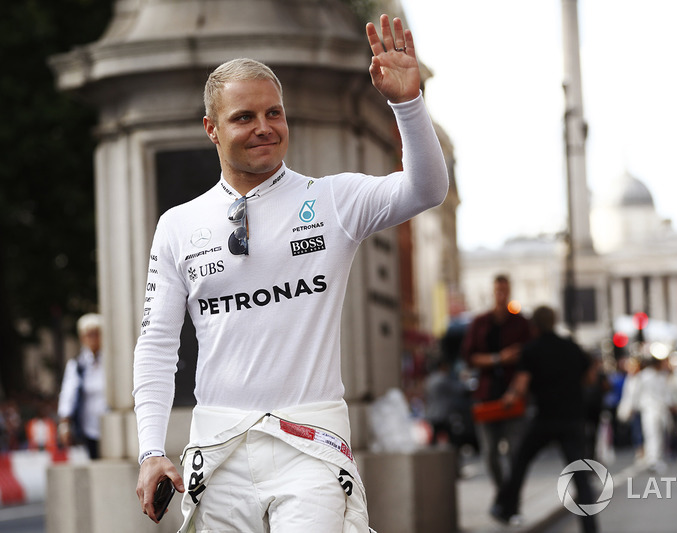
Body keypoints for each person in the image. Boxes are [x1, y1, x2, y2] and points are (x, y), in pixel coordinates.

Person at [132, 14, 448, 531]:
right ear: (211, 128)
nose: (264, 127)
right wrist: (150, 450)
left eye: (274, 112)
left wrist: (407, 104)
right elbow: (157, 344)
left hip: (310, 446)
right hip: (219, 450)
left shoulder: (333, 199)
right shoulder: (178, 225)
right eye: (244, 117)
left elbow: (426, 189)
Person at [491, 306, 598, 533]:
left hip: (545, 418)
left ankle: (507, 506)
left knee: (521, 460)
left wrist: (508, 400)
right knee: (579, 473)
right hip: (572, 418)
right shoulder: (571, 347)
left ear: (535, 326)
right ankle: (590, 527)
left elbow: (520, 386)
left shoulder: (531, 350)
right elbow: (589, 376)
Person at [461, 274, 530, 491]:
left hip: (513, 395)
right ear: (493, 293)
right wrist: (499, 358)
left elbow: (528, 361)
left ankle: (511, 497)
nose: (501, 296)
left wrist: (516, 390)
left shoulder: (521, 324)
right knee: (490, 452)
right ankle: (503, 494)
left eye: (505, 291)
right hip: (487, 394)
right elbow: (469, 356)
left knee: (515, 451)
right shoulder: (480, 323)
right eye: (498, 291)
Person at [57, 313, 107, 459]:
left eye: (96, 334)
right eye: (88, 334)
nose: (93, 338)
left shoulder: (111, 360)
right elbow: (68, 394)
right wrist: (65, 425)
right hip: (89, 425)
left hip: (111, 423)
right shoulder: (77, 365)